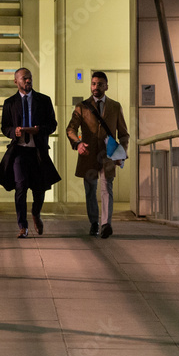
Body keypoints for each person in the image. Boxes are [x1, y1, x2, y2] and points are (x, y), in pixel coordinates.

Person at [0, 67, 61, 238]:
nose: (28, 81)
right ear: (16, 81)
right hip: (19, 152)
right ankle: (22, 226)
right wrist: (13, 131)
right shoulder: (9, 103)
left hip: (38, 151)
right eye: (24, 78)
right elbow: (4, 127)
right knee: (21, 187)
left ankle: (36, 213)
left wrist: (39, 130)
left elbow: (52, 124)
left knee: (40, 189)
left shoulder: (44, 100)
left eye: (30, 78)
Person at [66, 71, 130, 239]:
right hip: (88, 154)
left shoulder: (115, 107)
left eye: (100, 84)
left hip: (108, 155)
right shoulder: (82, 106)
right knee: (90, 190)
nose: (96, 87)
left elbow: (124, 134)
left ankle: (105, 224)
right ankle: (94, 222)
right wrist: (78, 144)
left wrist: (121, 152)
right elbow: (71, 129)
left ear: (106, 86)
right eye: (94, 84)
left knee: (106, 188)